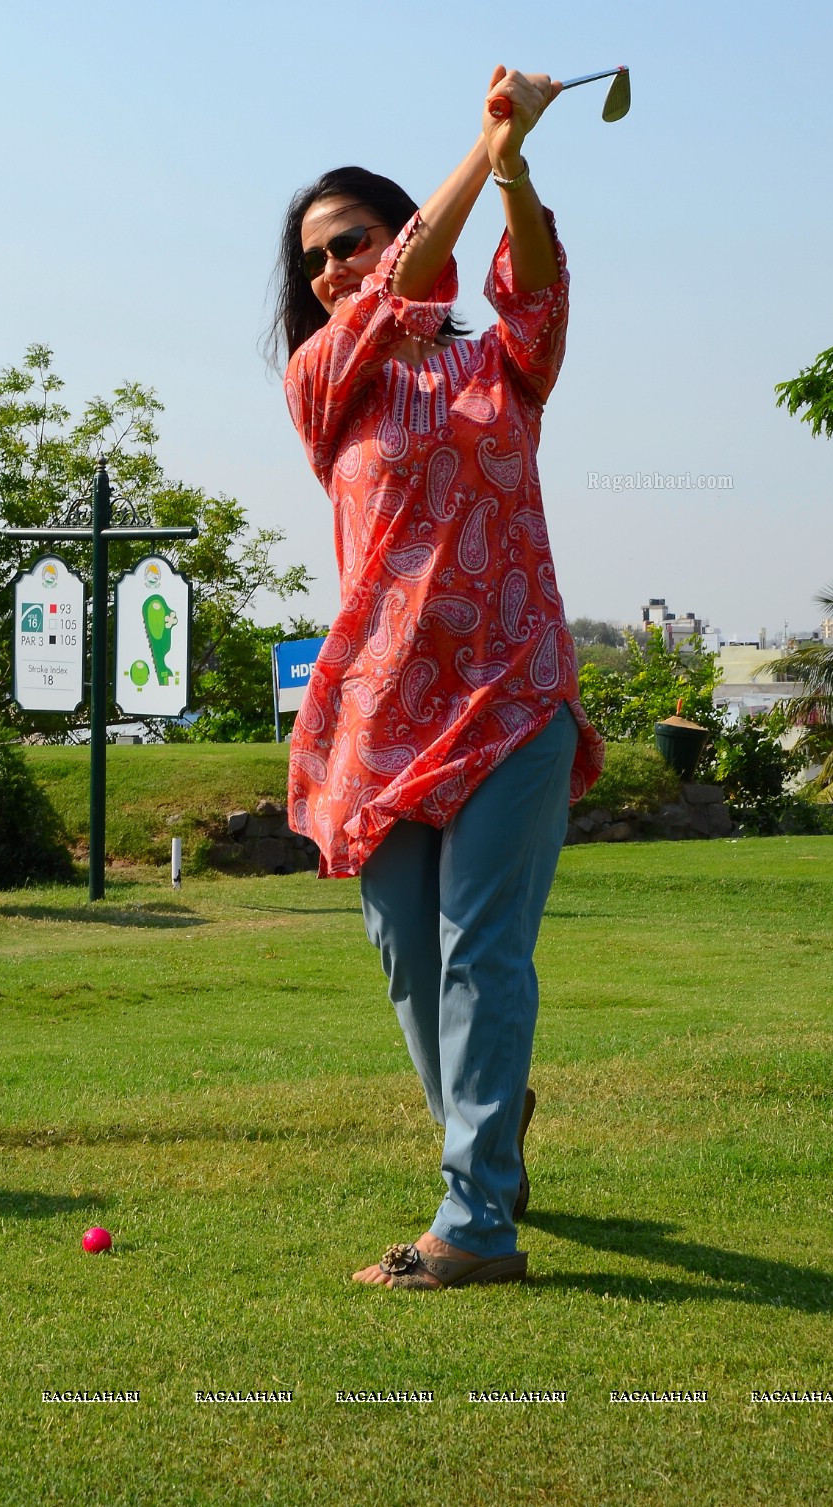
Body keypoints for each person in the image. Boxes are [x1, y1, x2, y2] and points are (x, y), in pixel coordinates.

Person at [272, 63, 605, 1291]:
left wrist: (509, 165)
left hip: (511, 685)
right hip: (379, 705)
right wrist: (488, 135)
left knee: (480, 952)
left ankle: (473, 1219)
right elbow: (408, 275)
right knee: (412, 958)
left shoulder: (498, 367)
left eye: (344, 241)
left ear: (397, 229)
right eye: (312, 260)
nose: (327, 271)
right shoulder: (327, 381)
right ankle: (491, 1119)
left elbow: (538, 289)